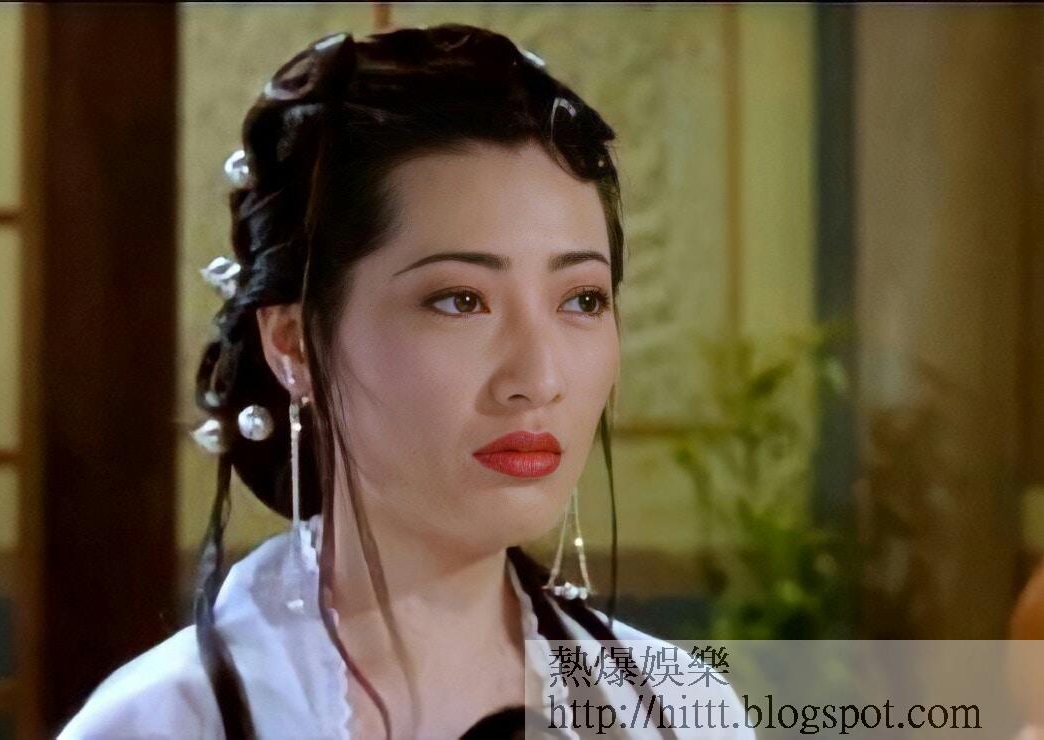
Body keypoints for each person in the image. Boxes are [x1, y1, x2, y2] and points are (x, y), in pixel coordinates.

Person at [58, 23, 753, 739]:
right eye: (460, 300)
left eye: (581, 300)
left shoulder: (679, 710)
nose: (538, 378)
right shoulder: (165, 721)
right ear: (295, 343)